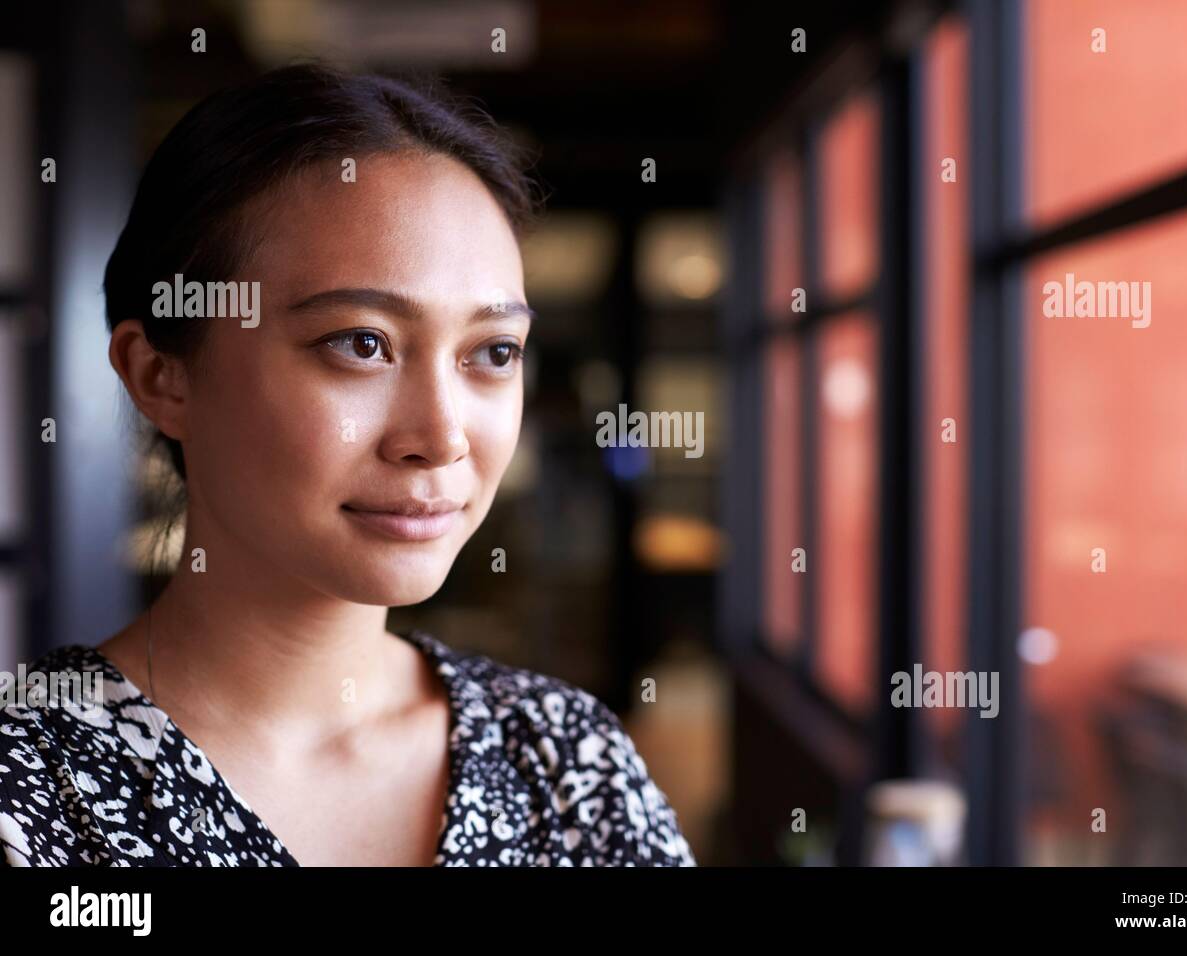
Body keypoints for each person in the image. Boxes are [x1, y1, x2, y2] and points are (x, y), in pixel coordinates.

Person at [0, 63, 695, 867]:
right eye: (360, 344)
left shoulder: (569, 762)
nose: (440, 437)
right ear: (162, 375)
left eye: (493, 352)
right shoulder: (32, 800)